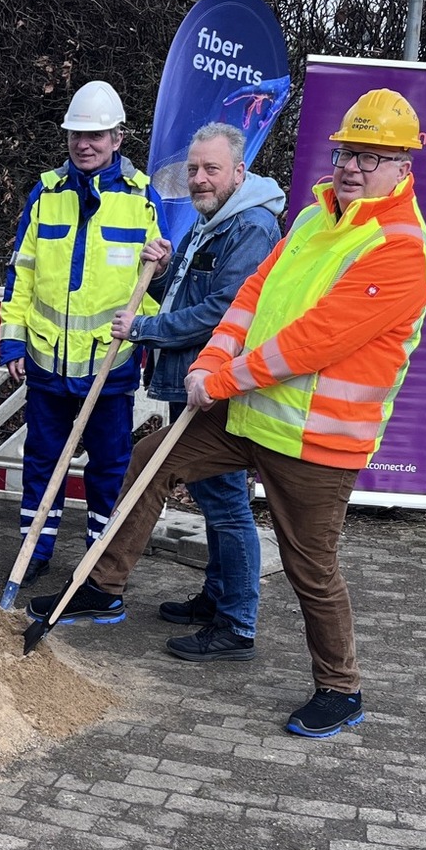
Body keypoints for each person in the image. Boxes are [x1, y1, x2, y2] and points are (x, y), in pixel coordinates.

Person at [26, 89, 426, 739]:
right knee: (149, 461)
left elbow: (312, 341)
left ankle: (340, 687)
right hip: (246, 410)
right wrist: (205, 363)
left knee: (311, 569)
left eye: (369, 157)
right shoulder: (310, 219)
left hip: (313, 442)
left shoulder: (399, 248)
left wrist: (218, 377)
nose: (351, 166)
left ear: (401, 167)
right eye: (345, 153)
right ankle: (101, 587)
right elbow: (249, 296)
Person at [110, 123, 283, 661]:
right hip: (186, 380)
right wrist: (161, 274)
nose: (199, 179)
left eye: (211, 169)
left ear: (239, 171)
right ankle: (217, 599)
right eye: (193, 169)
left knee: (228, 505)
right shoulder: (210, 221)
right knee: (214, 500)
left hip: (216, 386)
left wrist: (143, 329)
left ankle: (237, 623)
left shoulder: (249, 227)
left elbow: (223, 314)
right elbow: (188, 293)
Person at [0, 80, 167, 604]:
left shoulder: (141, 199)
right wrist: (11, 342)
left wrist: (142, 334)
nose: (85, 144)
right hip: (46, 362)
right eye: (77, 135)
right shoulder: (46, 192)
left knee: (110, 466)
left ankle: (100, 556)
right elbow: (20, 273)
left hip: (108, 369)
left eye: (96, 135)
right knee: (41, 461)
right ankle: (34, 549)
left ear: (117, 138)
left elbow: (156, 288)